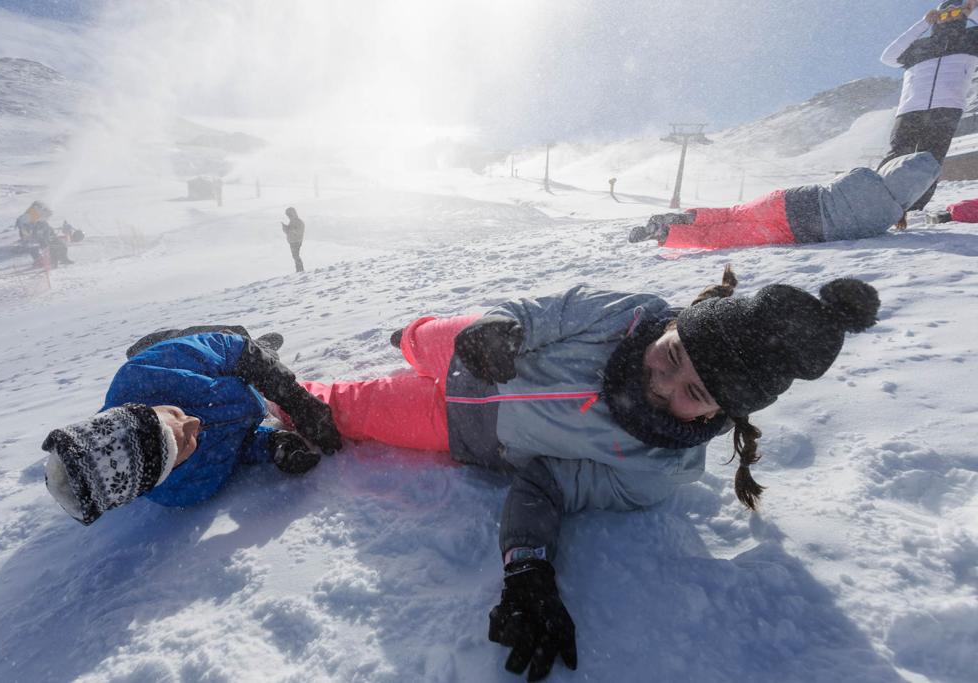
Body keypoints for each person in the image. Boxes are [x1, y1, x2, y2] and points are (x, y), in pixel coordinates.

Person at [289, 268, 880, 681]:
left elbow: (546, 483)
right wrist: (497, 330)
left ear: (720, 414)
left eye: (693, 392)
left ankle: (266, 387)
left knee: (334, 409)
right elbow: (535, 315)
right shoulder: (627, 313)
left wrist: (528, 570)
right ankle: (413, 337)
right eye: (672, 356)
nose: (662, 384)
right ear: (676, 325)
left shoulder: (657, 471)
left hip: (459, 428)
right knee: (426, 339)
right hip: (480, 354)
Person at [42, 328, 342, 525]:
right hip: (242, 394)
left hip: (199, 353)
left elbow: (234, 349)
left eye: (171, 415)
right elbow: (233, 452)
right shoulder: (186, 490)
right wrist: (272, 444)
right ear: (163, 475)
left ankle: (166, 339)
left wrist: (298, 403)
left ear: (137, 408)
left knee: (237, 335)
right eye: (184, 444)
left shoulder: (146, 374)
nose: (193, 422)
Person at [628, 152, 940, 249]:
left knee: (732, 213)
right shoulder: (888, 217)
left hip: (790, 202)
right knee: (726, 237)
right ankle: (666, 235)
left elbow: (833, 186)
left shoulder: (863, 175)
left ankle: (675, 219)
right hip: (801, 231)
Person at [879, 0, 978, 222]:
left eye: (955, 13)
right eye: (943, 14)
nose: (949, 18)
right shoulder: (919, 46)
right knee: (896, 156)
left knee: (929, 161)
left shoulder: (972, 40)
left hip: (946, 108)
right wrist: (923, 23)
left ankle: (914, 209)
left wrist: (973, 11)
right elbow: (887, 57)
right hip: (910, 109)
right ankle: (878, 202)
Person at [15, 201, 73, 267]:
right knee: (39, 246)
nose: (47, 218)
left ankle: (63, 259)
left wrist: (53, 236)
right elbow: (21, 224)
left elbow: (49, 230)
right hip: (33, 236)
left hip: (42, 235)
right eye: (47, 216)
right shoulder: (31, 215)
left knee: (59, 243)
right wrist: (27, 234)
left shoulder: (42, 221)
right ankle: (41, 261)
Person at [281, 206, 306, 272]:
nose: (288, 216)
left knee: (296, 256)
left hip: (296, 241)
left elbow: (299, 231)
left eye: (289, 214)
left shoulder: (298, 221)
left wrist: (290, 230)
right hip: (292, 241)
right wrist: (285, 228)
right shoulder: (292, 222)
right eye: (288, 215)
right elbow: (288, 232)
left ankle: (300, 270)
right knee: (295, 256)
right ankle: (299, 269)